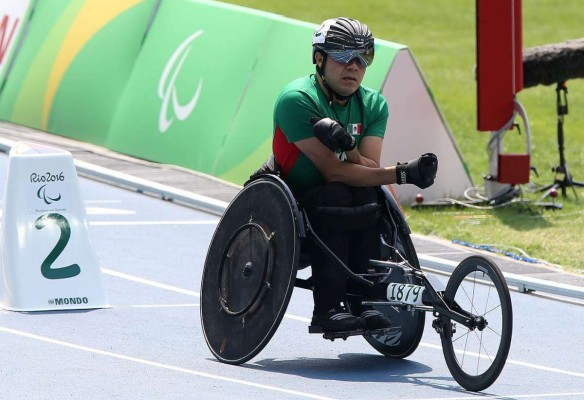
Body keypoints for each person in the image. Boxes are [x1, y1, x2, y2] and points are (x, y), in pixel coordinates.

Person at [271, 17, 438, 332]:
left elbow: (369, 170)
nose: (354, 66)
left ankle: (363, 301)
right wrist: (405, 173)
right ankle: (328, 309)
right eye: (343, 56)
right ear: (319, 59)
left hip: (348, 187)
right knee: (337, 196)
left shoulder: (373, 104)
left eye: (363, 58)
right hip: (299, 192)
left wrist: (349, 149)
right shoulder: (298, 100)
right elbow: (332, 172)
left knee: (368, 197)